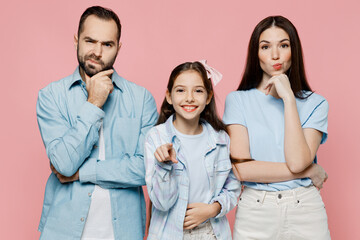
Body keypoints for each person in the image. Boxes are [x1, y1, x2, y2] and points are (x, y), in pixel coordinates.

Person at [36, 6, 158, 240]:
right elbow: (63, 163)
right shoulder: (51, 96)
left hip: (124, 231)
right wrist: (94, 103)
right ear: (76, 40)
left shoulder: (142, 99)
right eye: (90, 41)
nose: (97, 52)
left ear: (118, 48)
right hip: (63, 231)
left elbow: (147, 169)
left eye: (107, 44)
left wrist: (82, 173)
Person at [223, 15, 331, 239]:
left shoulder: (316, 103)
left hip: (305, 209)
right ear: (256, 53)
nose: (275, 55)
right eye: (265, 46)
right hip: (256, 209)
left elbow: (298, 160)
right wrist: (310, 171)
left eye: (283, 45)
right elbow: (242, 169)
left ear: (294, 50)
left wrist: (289, 99)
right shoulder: (238, 101)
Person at [144, 61, 240, 240]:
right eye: (180, 90)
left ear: (208, 97)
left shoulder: (220, 139)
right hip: (170, 234)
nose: (189, 98)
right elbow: (162, 203)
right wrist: (164, 165)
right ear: (169, 96)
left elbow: (233, 186)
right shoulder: (156, 137)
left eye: (198, 90)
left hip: (211, 232)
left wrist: (213, 209)